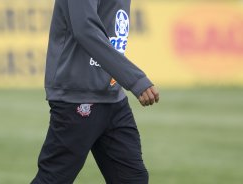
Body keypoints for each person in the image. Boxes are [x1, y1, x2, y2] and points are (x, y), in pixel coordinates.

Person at [31, 0, 159, 183]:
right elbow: (85, 29)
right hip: (77, 95)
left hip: (113, 95)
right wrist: (135, 79)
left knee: (133, 178)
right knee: (53, 179)